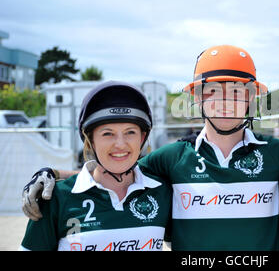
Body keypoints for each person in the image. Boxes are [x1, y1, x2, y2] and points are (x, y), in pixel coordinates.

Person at [21, 45, 279, 250]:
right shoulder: (170, 159)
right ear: (197, 98)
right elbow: (114, 170)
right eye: (214, 91)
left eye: (237, 92)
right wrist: (52, 177)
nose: (225, 101)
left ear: (253, 98)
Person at [20, 81, 171, 251]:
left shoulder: (163, 192)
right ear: (90, 140)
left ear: (142, 138)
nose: (120, 144)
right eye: (108, 133)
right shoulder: (56, 198)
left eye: (130, 132)